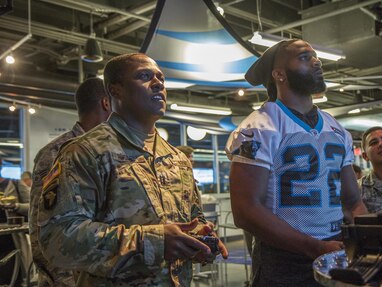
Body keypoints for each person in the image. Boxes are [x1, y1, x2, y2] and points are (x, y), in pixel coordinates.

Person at [38, 53, 228, 287]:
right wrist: (153, 242)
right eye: (144, 76)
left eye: (161, 78)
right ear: (115, 91)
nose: (158, 83)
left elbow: (192, 216)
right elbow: (58, 240)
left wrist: (200, 236)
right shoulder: (84, 153)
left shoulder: (177, 158)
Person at [225, 39, 367, 287]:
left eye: (315, 56)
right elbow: (245, 211)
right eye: (304, 57)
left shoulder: (335, 126)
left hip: (335, 246)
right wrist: (314, 247)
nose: (317, 61)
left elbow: (353, 201)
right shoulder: (258, 126)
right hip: (284, 258)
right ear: (279, 74)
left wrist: (367, 238)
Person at [30, 77, 111, 287]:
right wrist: (67, 282)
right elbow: (41, 229)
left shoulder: (109, 152)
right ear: (107, 103)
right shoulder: (57, 153)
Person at [0, 158, 32, 286]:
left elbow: (33, 207)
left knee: (13, 278)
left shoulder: (15, 183)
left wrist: (16, 206)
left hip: (11, 241)